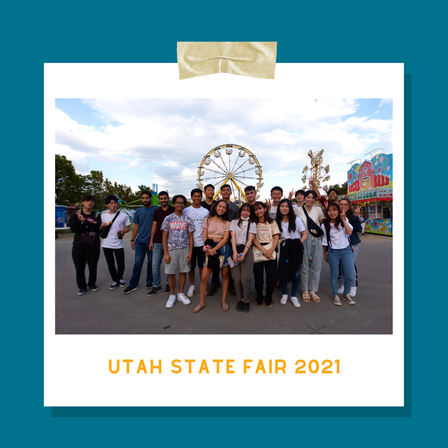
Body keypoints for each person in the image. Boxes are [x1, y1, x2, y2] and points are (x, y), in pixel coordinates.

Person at [193, 200, 231, 313]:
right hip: (209, 249)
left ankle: (224, 299)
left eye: (224, 207)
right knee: (204, 277)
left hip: (223, 249)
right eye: (220, 206)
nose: (221, 209)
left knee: (224, 276)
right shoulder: (207, 220)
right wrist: (209, 249)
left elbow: (225, 239)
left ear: (226, 210)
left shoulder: (227, 222)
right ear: (215, 207)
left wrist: (213, 249)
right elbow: (204, 236)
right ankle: (202, 302)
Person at [68, 194, 107, 295]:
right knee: (79, 267)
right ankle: (82, 286)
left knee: (93, 266)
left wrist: (84, 222)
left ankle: (92, 284)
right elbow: (74, 229)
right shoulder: (76, 214)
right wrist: (91, 227)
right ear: (82, 202)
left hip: (93, 246)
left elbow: (97, 228)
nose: (90, 203)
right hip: (79, 246)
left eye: (92, 201)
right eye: (87, 201)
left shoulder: (96, 215)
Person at [160, 195, 194, 308]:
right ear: (174, 204)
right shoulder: (168, 218)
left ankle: (180, 293)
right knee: (171, 273)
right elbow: (164, 236)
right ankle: (172, 295)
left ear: (184, 205)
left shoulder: (188, 219)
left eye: (182, 203)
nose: (180, 204)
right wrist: (165, 253)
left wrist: (190, 252)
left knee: (183, 272)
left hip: (185, 249)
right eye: (178, 202)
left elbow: (190, 236)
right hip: (171, 249)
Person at [321, 203, 355, 306]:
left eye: (334, 210)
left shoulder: (344, 221)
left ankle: (346, 294)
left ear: (338, 211)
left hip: (346, 250)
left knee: (349, 275)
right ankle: (336, 295)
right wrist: (325, 254)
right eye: (330, 211)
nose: (332, 213)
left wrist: (344, 220)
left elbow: (349, 232)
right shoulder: (325, 225)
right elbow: (324, 241)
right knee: (334, 275)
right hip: (333, 252)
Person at [123, 191, 156, 294]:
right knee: (138, 262)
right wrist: (133, 239)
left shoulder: (156, 210)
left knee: (151, 262)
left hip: (151, 242)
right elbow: (136, 226)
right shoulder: (138, 211)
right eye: (143, 198)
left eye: (147, 198)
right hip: (140, 242)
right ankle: (133, 284)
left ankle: (150, 281)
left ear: (150, 198)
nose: (145, 200)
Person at [276, 199, 308, 307]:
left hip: (295, 249)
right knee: (283, 272)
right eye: (282, 206)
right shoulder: (276, 221)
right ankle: (284, 294)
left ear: (290, 208)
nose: (284, 208)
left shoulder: (296, 220)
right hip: (284, 249)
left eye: (287, 206)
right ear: (279, 208)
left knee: (296, 273)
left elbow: (304, 234)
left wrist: (298, 244)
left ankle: (293, 296)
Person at [295, 190, 325, 303]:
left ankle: (313, 290)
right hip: (304, 239)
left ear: (315, 200)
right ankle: (305, 291)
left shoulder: (318, 210)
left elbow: (321, 222)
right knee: (305, 266)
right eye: (308, 197)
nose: (310, 199)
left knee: (316, 266)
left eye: (313, 198)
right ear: (304, 197)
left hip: (317, 239)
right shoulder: (297, 210)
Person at [229, 203, 257, 312]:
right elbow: (233, 237)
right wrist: (235, 253)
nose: (245, 212)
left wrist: (243, 254)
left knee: (245, 279)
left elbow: (250, 240)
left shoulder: (252, 223)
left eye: (248, 211)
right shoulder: (234, 222)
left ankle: (246, 300)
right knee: (236, 279)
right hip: (235, 250)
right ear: (240, 211)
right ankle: (239, 299)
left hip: (246, 251)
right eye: (243, 210)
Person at [251, 201, 280, 307]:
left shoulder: (272, 222)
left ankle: (269, 297)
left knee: (271, 279)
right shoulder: (253, 223)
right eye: (256, 209)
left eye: (260, 208)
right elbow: (253, 239)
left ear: (265, 209)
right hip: (258, 250)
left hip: (271, 250)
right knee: (258, 280)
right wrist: (264, 251)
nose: (258, 211)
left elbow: (276, 237)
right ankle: (259, 296)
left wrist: (271, 250)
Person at [183, 188, 209, 298]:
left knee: (202, 267)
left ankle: (203, 285)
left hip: (201, 244)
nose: (197, 198)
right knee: (191, 267)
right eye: (195, 196)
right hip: (190, 244)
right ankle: (192, 285)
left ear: (201, 197)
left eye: (199, 196)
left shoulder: (205, 212)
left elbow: (206, 228)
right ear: (192, 197)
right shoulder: (186, 211)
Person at [101, 195, 131, 289]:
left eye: (115, 203)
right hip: (106, 244)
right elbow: (99, 228)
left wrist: (124, 231)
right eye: (111, 203)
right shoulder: (103, 216)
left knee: (121, 263)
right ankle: (115, 280)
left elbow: (128, 227)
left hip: (118, 244)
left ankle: (120, 278)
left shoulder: (123, 215)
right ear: (107, 205)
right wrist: (102, 226)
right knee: (110, 263)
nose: (114, 205)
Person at [147, 191, 174, 296]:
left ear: (168, 198)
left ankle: (168, 283)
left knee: (169, 264)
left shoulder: (173, 210)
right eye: (161, 198)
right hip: (158, 241)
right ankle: (156, 285)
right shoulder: (156, 211)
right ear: (159, 199)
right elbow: (154, 226)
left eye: (165, 198)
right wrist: (151, 241)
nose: (163, 200)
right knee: (155, 265)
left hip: (171, 241)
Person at [338, 198, 364, 297]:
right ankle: (345, 285)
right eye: (341, 204)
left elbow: (357, 229)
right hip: (341, 244)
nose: (343, 206)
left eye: (345, 205)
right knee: (343, 265)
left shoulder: (353, 216)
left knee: (350, 265)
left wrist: (357, 217)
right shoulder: (338, 216)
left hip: (352, 243)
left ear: (349, 206)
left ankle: (353, 286)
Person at [200, 184, 221, 296]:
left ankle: (215, 282)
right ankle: (205, 282)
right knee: (205, 263)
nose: (211, 192)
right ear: (205, 192)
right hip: (205, 237)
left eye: (212, 190)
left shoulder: (217, 204)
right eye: (208, 190)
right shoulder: (202, 205)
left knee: (216, 261)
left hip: (217, 237)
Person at [219, 184, 239, 296]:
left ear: (231, 192)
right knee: (217, 259)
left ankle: (230, 283)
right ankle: (215, 282)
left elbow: (236, 222)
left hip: (231, 237)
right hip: (218, 236)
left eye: (228, 190)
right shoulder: (216, 205)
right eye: (224, 190)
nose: (226, 192)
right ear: (221, 192)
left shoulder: (235, 207)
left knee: (229, 260)